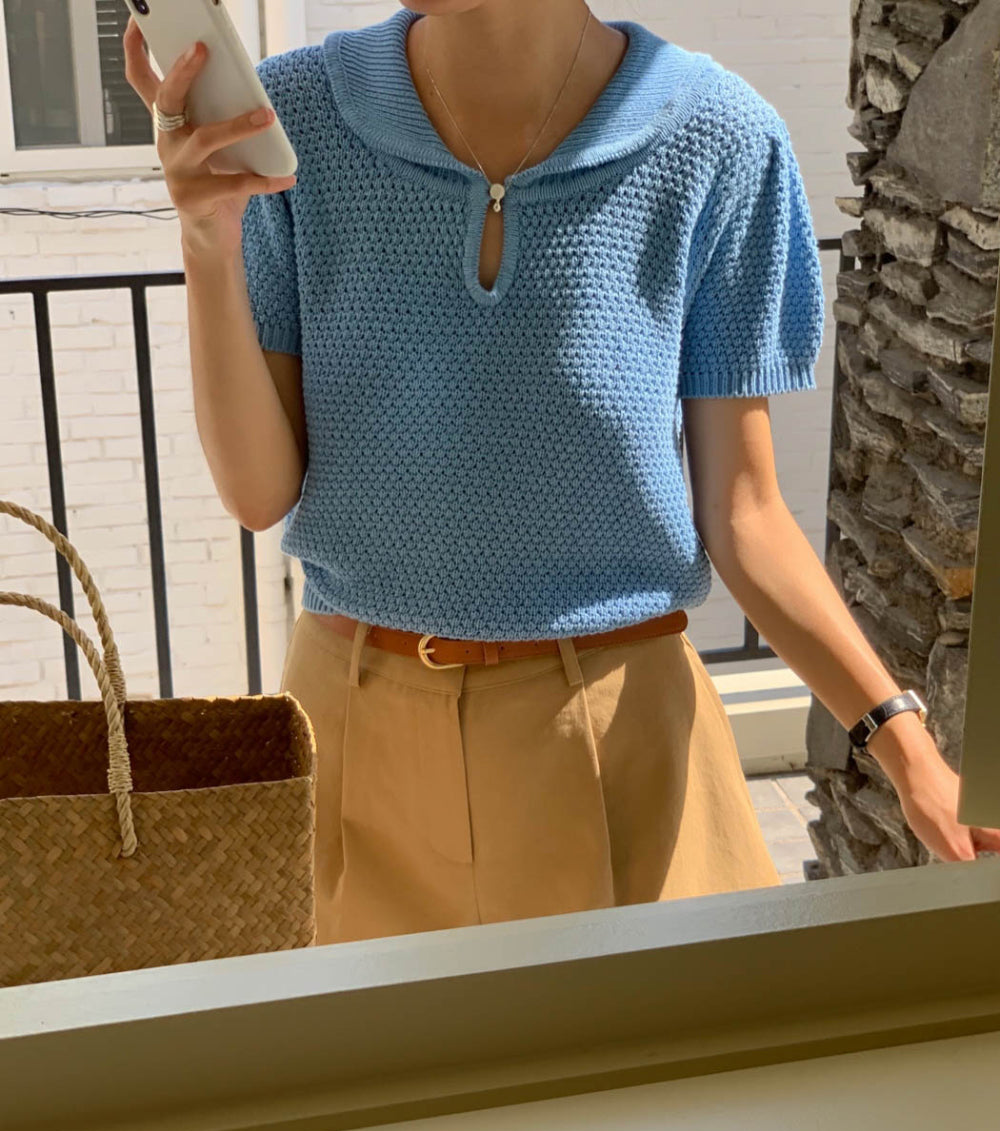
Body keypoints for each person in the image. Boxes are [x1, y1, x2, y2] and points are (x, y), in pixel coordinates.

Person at [123, 1, 1000, 946]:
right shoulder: (292, 119)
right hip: (354, 738)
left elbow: (745, 513)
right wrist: (205, 236)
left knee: (680, 1044)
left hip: (624, 739)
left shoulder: (718, 138)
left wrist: (908, 750)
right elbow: (258, 493)